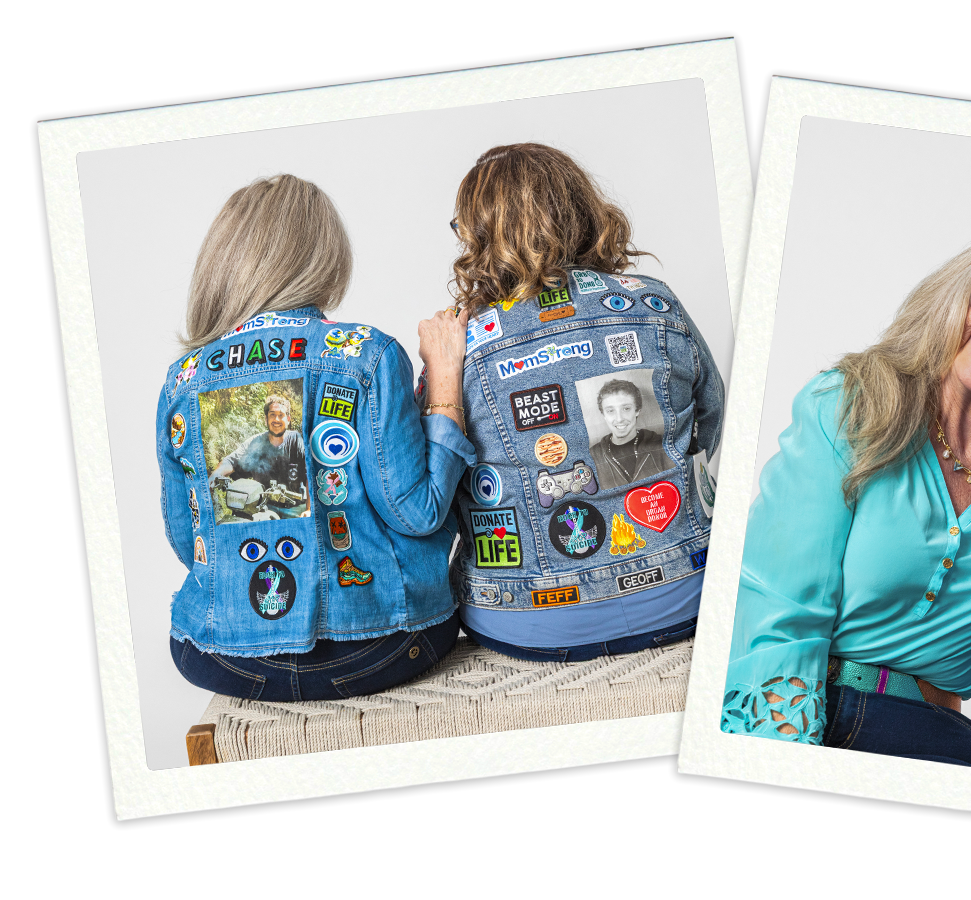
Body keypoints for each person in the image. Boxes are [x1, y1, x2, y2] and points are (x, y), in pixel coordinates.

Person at [721, 224, 971, 767]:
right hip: (816, 714)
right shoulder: (853, 405)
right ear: (964, 292)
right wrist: (778, 760)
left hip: (945, 742)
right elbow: (780, 606)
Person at [158, 174, 477, 701]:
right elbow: (417, 512)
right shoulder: (365, 353)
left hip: (219, 654)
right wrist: (444, 384)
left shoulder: (183, 379)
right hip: (382, 645)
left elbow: (185, 538)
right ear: (324, 257)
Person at [445, 143, 724, 662]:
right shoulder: (655, 300)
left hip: (522, 618)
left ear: (477, 236)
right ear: (582, 210)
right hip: (688, 590)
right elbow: (709, 424)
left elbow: (439, 482)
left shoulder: (460, 345)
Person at [209, 394, 309, 517]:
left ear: (288, 419)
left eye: (281, 415)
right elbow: (231, 461)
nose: (276, 419)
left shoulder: (296, 440)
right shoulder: (255, 443)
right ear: (266, 419)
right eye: (272, 414)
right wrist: (214, 476)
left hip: (295, 508)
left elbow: (310, 473)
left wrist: (309, 509)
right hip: (263, 507)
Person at [592, 379, 675, 491]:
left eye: (626, 409)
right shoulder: (594, 455)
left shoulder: (663, 445)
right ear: (603, 415)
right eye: (610, 411)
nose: (619, 419)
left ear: (637, 410)